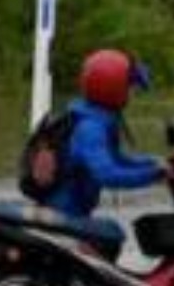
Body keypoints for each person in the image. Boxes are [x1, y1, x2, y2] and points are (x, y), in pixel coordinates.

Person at [41, 49, 167, 221]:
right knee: (111, 235)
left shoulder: (95, 118)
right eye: (128, 88)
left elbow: (117, 160)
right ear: (113, 89)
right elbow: (107, 174)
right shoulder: (91, 128)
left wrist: (154, 164)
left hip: (71, 213)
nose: (131, 94)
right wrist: (154, 175)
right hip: (65, 217)